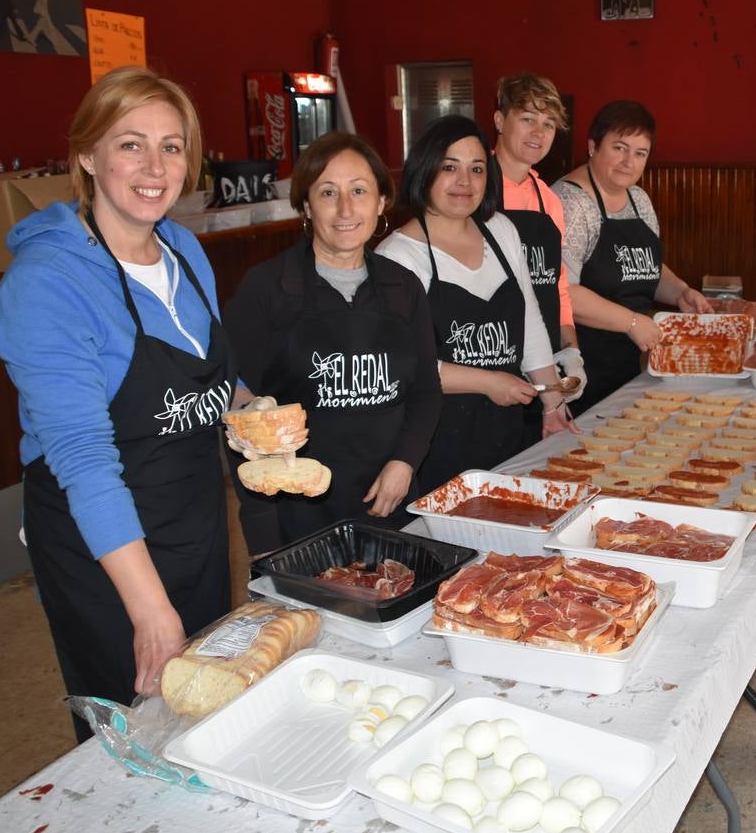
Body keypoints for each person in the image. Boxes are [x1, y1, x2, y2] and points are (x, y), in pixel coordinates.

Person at [0, 67, 238, 741]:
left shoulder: (184, 251)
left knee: (209, 714)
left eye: (172, 145)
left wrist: (254, 408)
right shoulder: (48, 283)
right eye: (131, 144)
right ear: (86, 155)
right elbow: (83, 458)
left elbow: (205, 381)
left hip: (194, 520)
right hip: (105, 552)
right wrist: (150, 613)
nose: (155, 167)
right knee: (136, 738)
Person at [223, 132, 442, 551]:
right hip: (296, 516)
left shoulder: (403, 287)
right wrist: (265, 531)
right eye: (328, 192)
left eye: (359, 191)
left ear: (380, 204)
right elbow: (236, 410)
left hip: (390, 500)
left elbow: (426, 392)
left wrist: (405, 463)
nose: (345, 209)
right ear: (306, 205)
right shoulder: (266, 289)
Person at [377, 115, 576, 497]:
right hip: (433, 438)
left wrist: (552, 398)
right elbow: (400, 366)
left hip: (504, 427)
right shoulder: (398, 257)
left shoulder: (500, 229)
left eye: (477, 168)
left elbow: (530, 322)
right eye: (449, 167)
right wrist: (487, 382)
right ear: (424, 171)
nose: (464, 182)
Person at [552, 100, 711, 415]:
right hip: (579, 367)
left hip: (625, 367)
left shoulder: (638, 198)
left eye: (640, 153)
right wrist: (632, 321)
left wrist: (680, 291)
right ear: (593, 146)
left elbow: (645, 267)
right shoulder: (570, 201)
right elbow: (563, 292)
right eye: (619, 148)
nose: (629, 162)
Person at [491, 72, 588, 445]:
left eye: (548, 124)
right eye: (528, 118)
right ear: (500, 120)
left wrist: (570, 348)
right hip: (495, 361)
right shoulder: (474, 190)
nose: (539, 132)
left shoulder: (549, 198)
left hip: (546, 362)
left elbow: (557, 283)